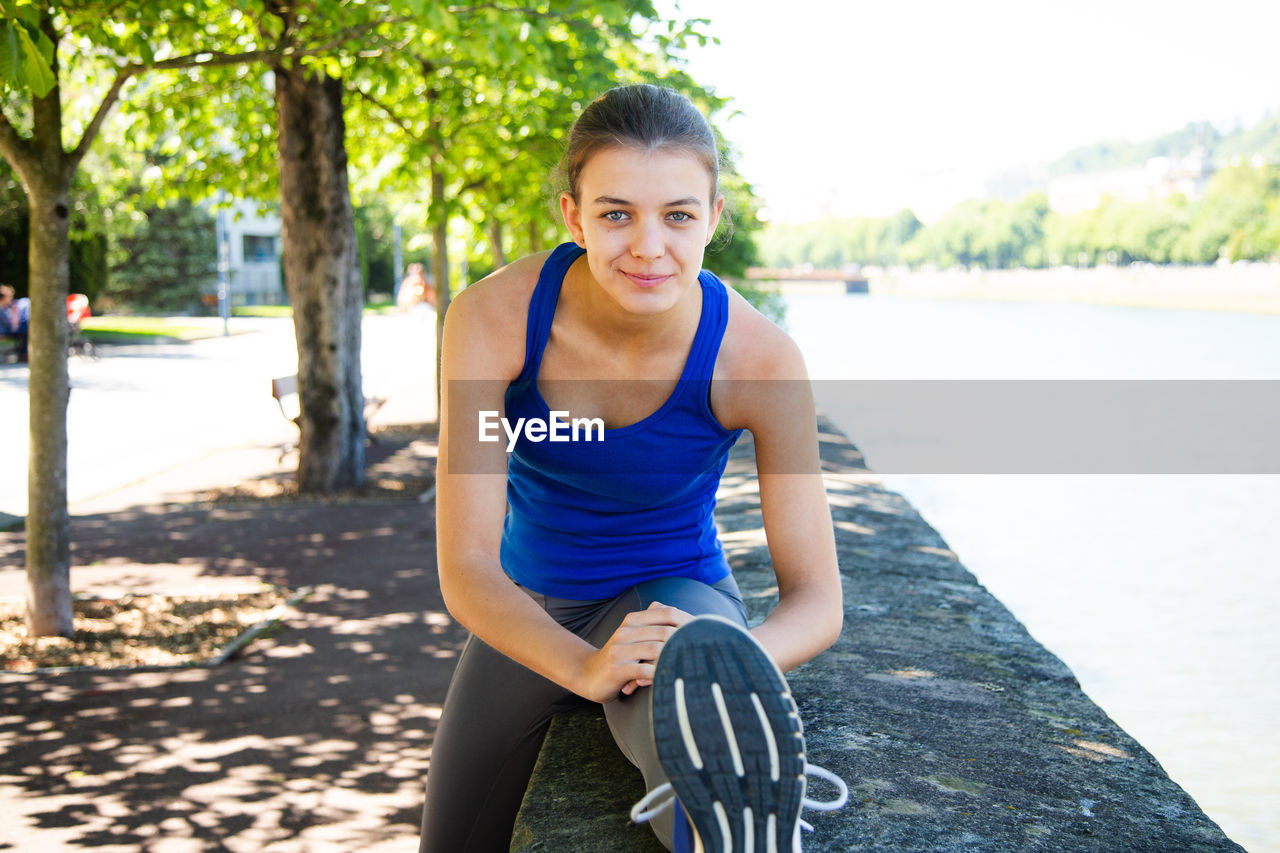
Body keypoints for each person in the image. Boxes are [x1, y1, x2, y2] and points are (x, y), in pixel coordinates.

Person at [420, 84, 846, 853]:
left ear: (713, 219)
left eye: (679, 215)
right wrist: (585, 665)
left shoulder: (758, 360)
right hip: (531, 610)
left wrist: (729, 657)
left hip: (675, 603)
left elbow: (818, 599)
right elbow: (469, 563)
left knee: (697, 731)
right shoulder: (493, 320)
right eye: (616, 213)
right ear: (573, 216)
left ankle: (735, 828)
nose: (650, 246)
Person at [0, 285, 30, 362]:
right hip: (4, 331)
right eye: (9, 296)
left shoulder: (7, 307)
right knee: (24, 331)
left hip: (8, 330)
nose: (11, 299)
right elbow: (8, 323)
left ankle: (23, 354)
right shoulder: (2, 308)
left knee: (24, 330)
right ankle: (23, 355)